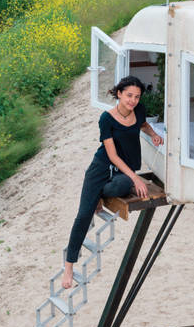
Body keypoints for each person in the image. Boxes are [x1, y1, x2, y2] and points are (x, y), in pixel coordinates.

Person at [62, 76, 163, 289]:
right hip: (101, 168)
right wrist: (137, 177)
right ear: (119, 93)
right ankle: (69, 266)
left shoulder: (140, 110)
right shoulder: (106, 119)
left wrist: (153, 134)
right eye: (129, 95)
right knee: (84, 214)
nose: (133, 100)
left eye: (136, 96)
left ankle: (102, 193)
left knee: (124, 185)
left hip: (122, 173)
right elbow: (112, 155)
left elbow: (142, 124)